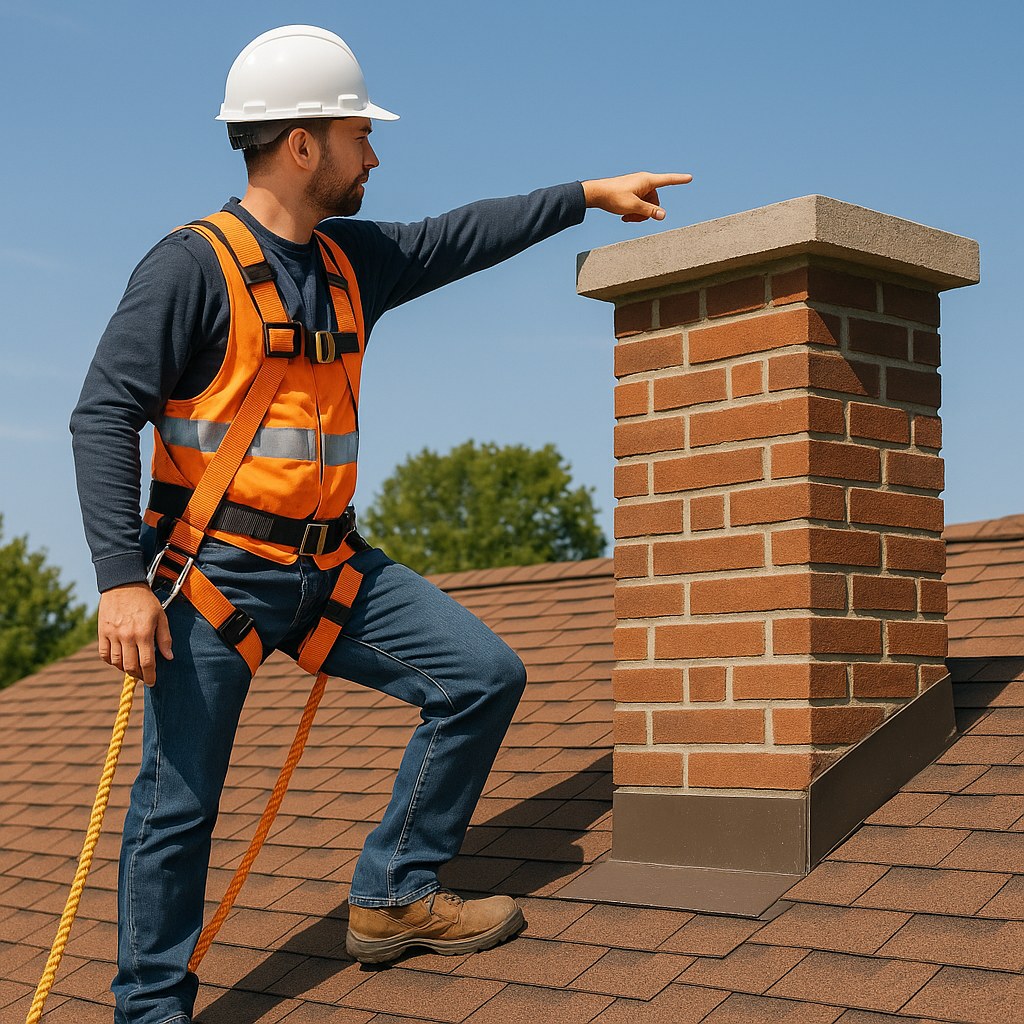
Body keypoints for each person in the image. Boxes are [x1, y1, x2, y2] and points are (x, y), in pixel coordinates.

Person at [69, 23, 692, 1024]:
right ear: (304, 143)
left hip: (332, 571)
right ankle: (150, 1010)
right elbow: (104, 411)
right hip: (212, 581)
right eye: (361, 135)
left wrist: (584, 194)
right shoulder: (189, 268)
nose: (375, 156)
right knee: (176, 805)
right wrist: (119, 579)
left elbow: (462, 233)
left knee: (480, 675)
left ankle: (395, 893)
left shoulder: (355, 260)